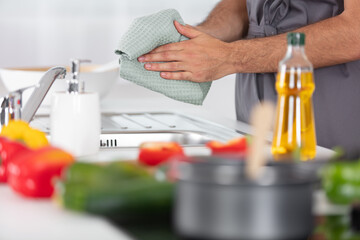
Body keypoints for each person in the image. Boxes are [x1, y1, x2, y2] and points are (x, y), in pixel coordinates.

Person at [138, 0, 360, 158]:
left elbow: (356, 30)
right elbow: (243, 5)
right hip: (254, 117)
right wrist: (196, 37)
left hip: (330, 115)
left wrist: (231, 56)